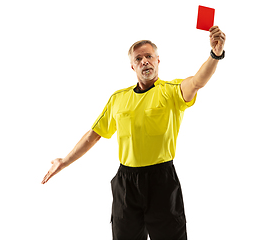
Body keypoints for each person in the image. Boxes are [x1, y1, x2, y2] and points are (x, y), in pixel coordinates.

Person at [42, 26, 226, 240]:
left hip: (161, 182)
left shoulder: (172, 91)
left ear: (158, 61)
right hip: (126, 184)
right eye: (139, 59)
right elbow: (93, 135)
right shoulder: (118, 99)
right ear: (132, 66)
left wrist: (215, 54)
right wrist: (63, 162)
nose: (144, 61)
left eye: (149, 56)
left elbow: (197, 82)